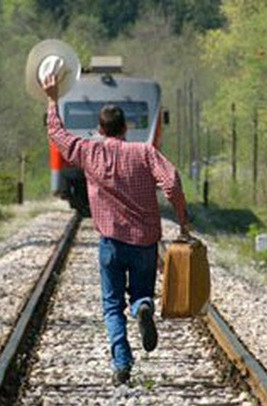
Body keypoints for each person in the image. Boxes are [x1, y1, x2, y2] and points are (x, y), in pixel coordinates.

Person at [42, 73, 190, 385]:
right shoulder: (144, 153)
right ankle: (144, 307)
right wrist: (183, 221)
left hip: (110, 242)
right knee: (140, 293)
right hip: (145, 242)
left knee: (112, 307)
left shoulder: (89, 151)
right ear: (125, 128)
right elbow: (172, 182)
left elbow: (57, 134)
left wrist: (52, 98)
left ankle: (122, 363)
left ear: (100, 129)